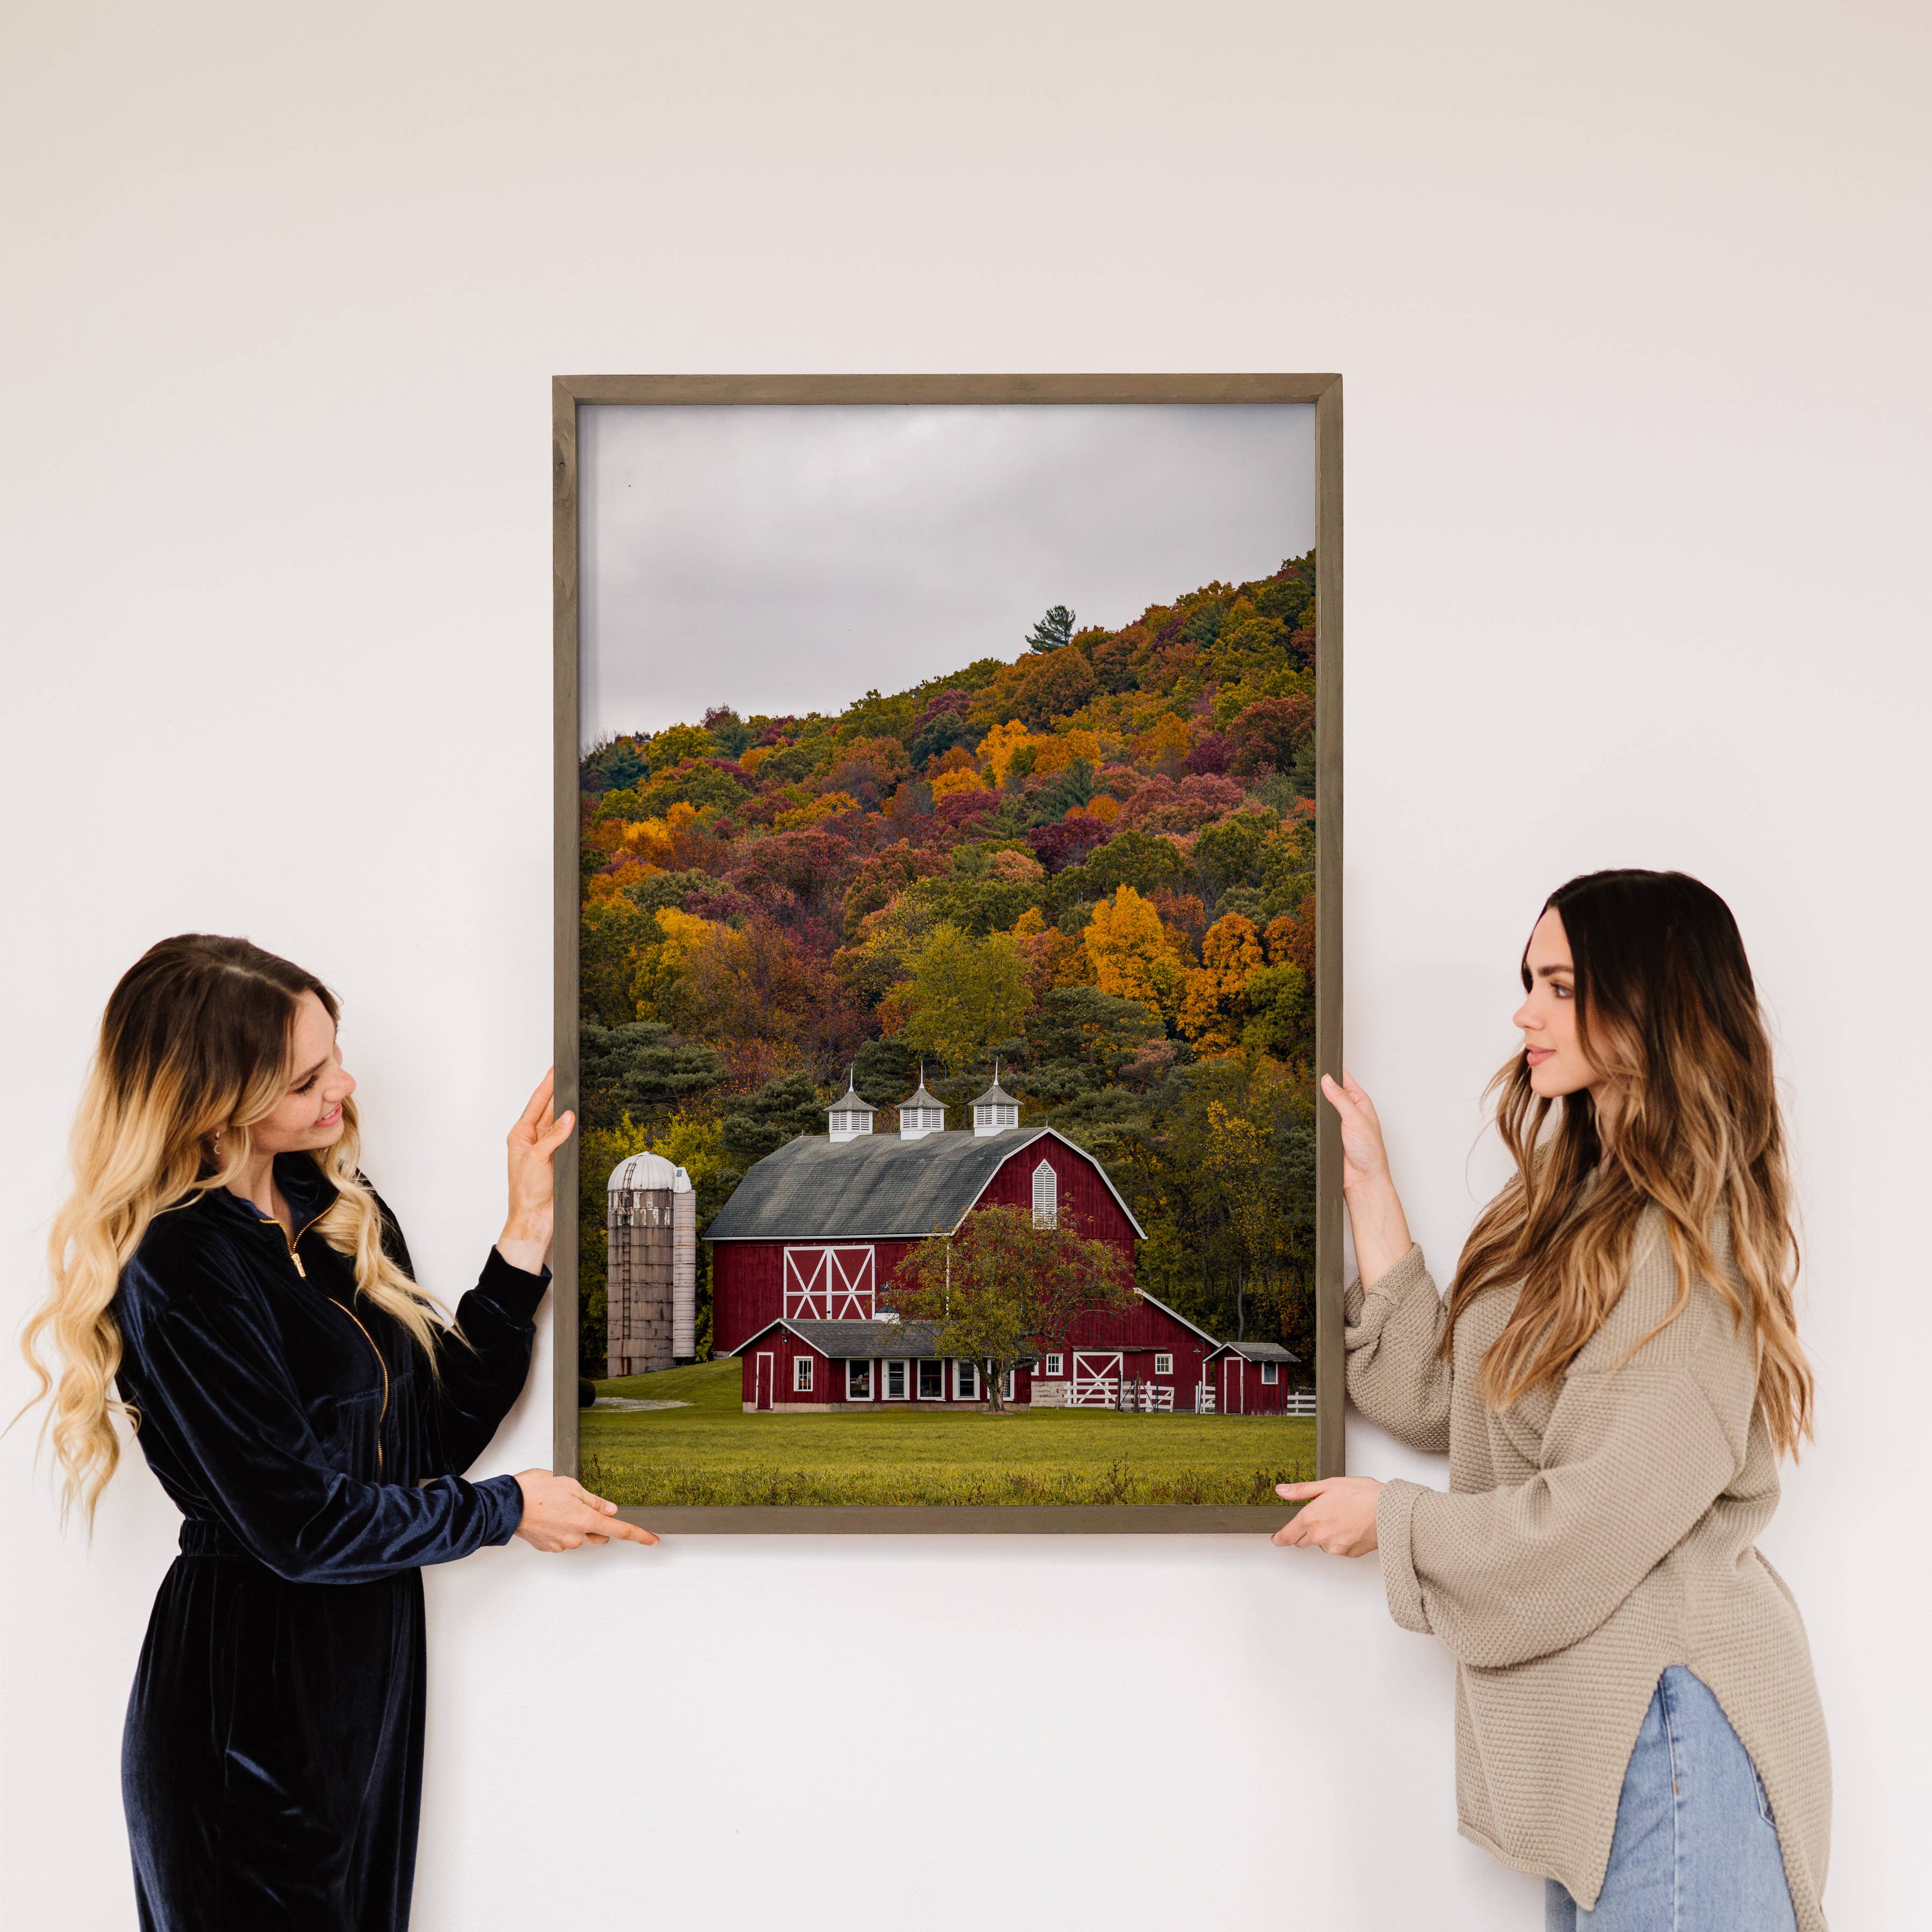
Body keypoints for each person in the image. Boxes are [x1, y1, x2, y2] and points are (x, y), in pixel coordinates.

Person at [19, 934, 657, 1931]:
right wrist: (506, 1512)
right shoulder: (176, 1266)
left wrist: (524, 1233)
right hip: (246, 1705)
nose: (344, 1088)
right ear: (209, 1101)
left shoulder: (333, 1209)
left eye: (335, 1053)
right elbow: (301, 1526)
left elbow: (429, 1442)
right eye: (307, 1077)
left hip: (362, 1685)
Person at [1272, 870, 1830, 1931]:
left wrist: (1391, 1521)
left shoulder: (1682, 1256)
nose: (1525, 1011)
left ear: (1649, 1002)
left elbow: (1589, 1527)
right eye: (1530, 980)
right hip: (1613, 1748)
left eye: (1561, 985)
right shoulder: (1576, 1218)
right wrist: (1370, 1192)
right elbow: (1458, 1402)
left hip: (1672, 1737)